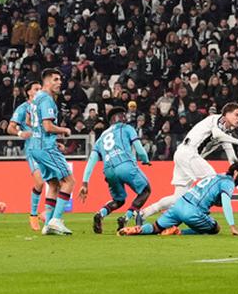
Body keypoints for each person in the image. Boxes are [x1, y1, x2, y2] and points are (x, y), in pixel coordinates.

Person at [139, 104, 238, 221]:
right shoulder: (216, 120)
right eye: (236, 114)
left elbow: (231, 156)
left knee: (178, 198)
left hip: (183, 154)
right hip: (189, 153)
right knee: (213, 179)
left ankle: (144, 213)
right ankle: (202, 212)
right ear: (226, 114)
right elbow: (217, 134)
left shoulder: (226, 132)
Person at [119, 160, 238, 237]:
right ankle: (178, 231)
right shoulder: (228, 182)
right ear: (235, 172)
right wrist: (232, 226)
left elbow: (213, 198)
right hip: (192, 211)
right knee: (215, 228)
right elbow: (226, 203)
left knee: (156, 228)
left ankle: (135, 229)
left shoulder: (217, 176)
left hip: (179, 204)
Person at [79, 106, 152, 234]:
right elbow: (139, 149)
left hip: (108, 170)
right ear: (122, 117)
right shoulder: (127, 128)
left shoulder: (101, 137)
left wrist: (85, 182)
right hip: (125, 164)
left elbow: (91, 160)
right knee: (146, 190)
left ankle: (100, 214)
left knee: (119, 200)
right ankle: (126, 217)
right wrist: (145, 159)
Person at [30, 69, 81, 236]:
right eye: (56, 79)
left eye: (60, 79)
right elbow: (47, 126)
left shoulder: (37, 98)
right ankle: (56, 220)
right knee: (69, 181)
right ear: (46, 82)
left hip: (36, 147)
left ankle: (48, 225)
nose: (60, 82)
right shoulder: (47, 99)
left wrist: (53, 140)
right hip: (46, 147)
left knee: (53, 184)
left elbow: (35, 125)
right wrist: (64, 130)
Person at [8, 80, 45, 231]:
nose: (39, 91)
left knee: (57, 182)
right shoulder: (23, 108)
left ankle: (48, 215)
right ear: (29, 92)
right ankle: (33, 215)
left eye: (40, 88)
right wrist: (20, 133)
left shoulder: (43, 107)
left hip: (46, 150)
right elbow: (10, 127)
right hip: (32, 150)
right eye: (36, 89)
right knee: (40, 182)